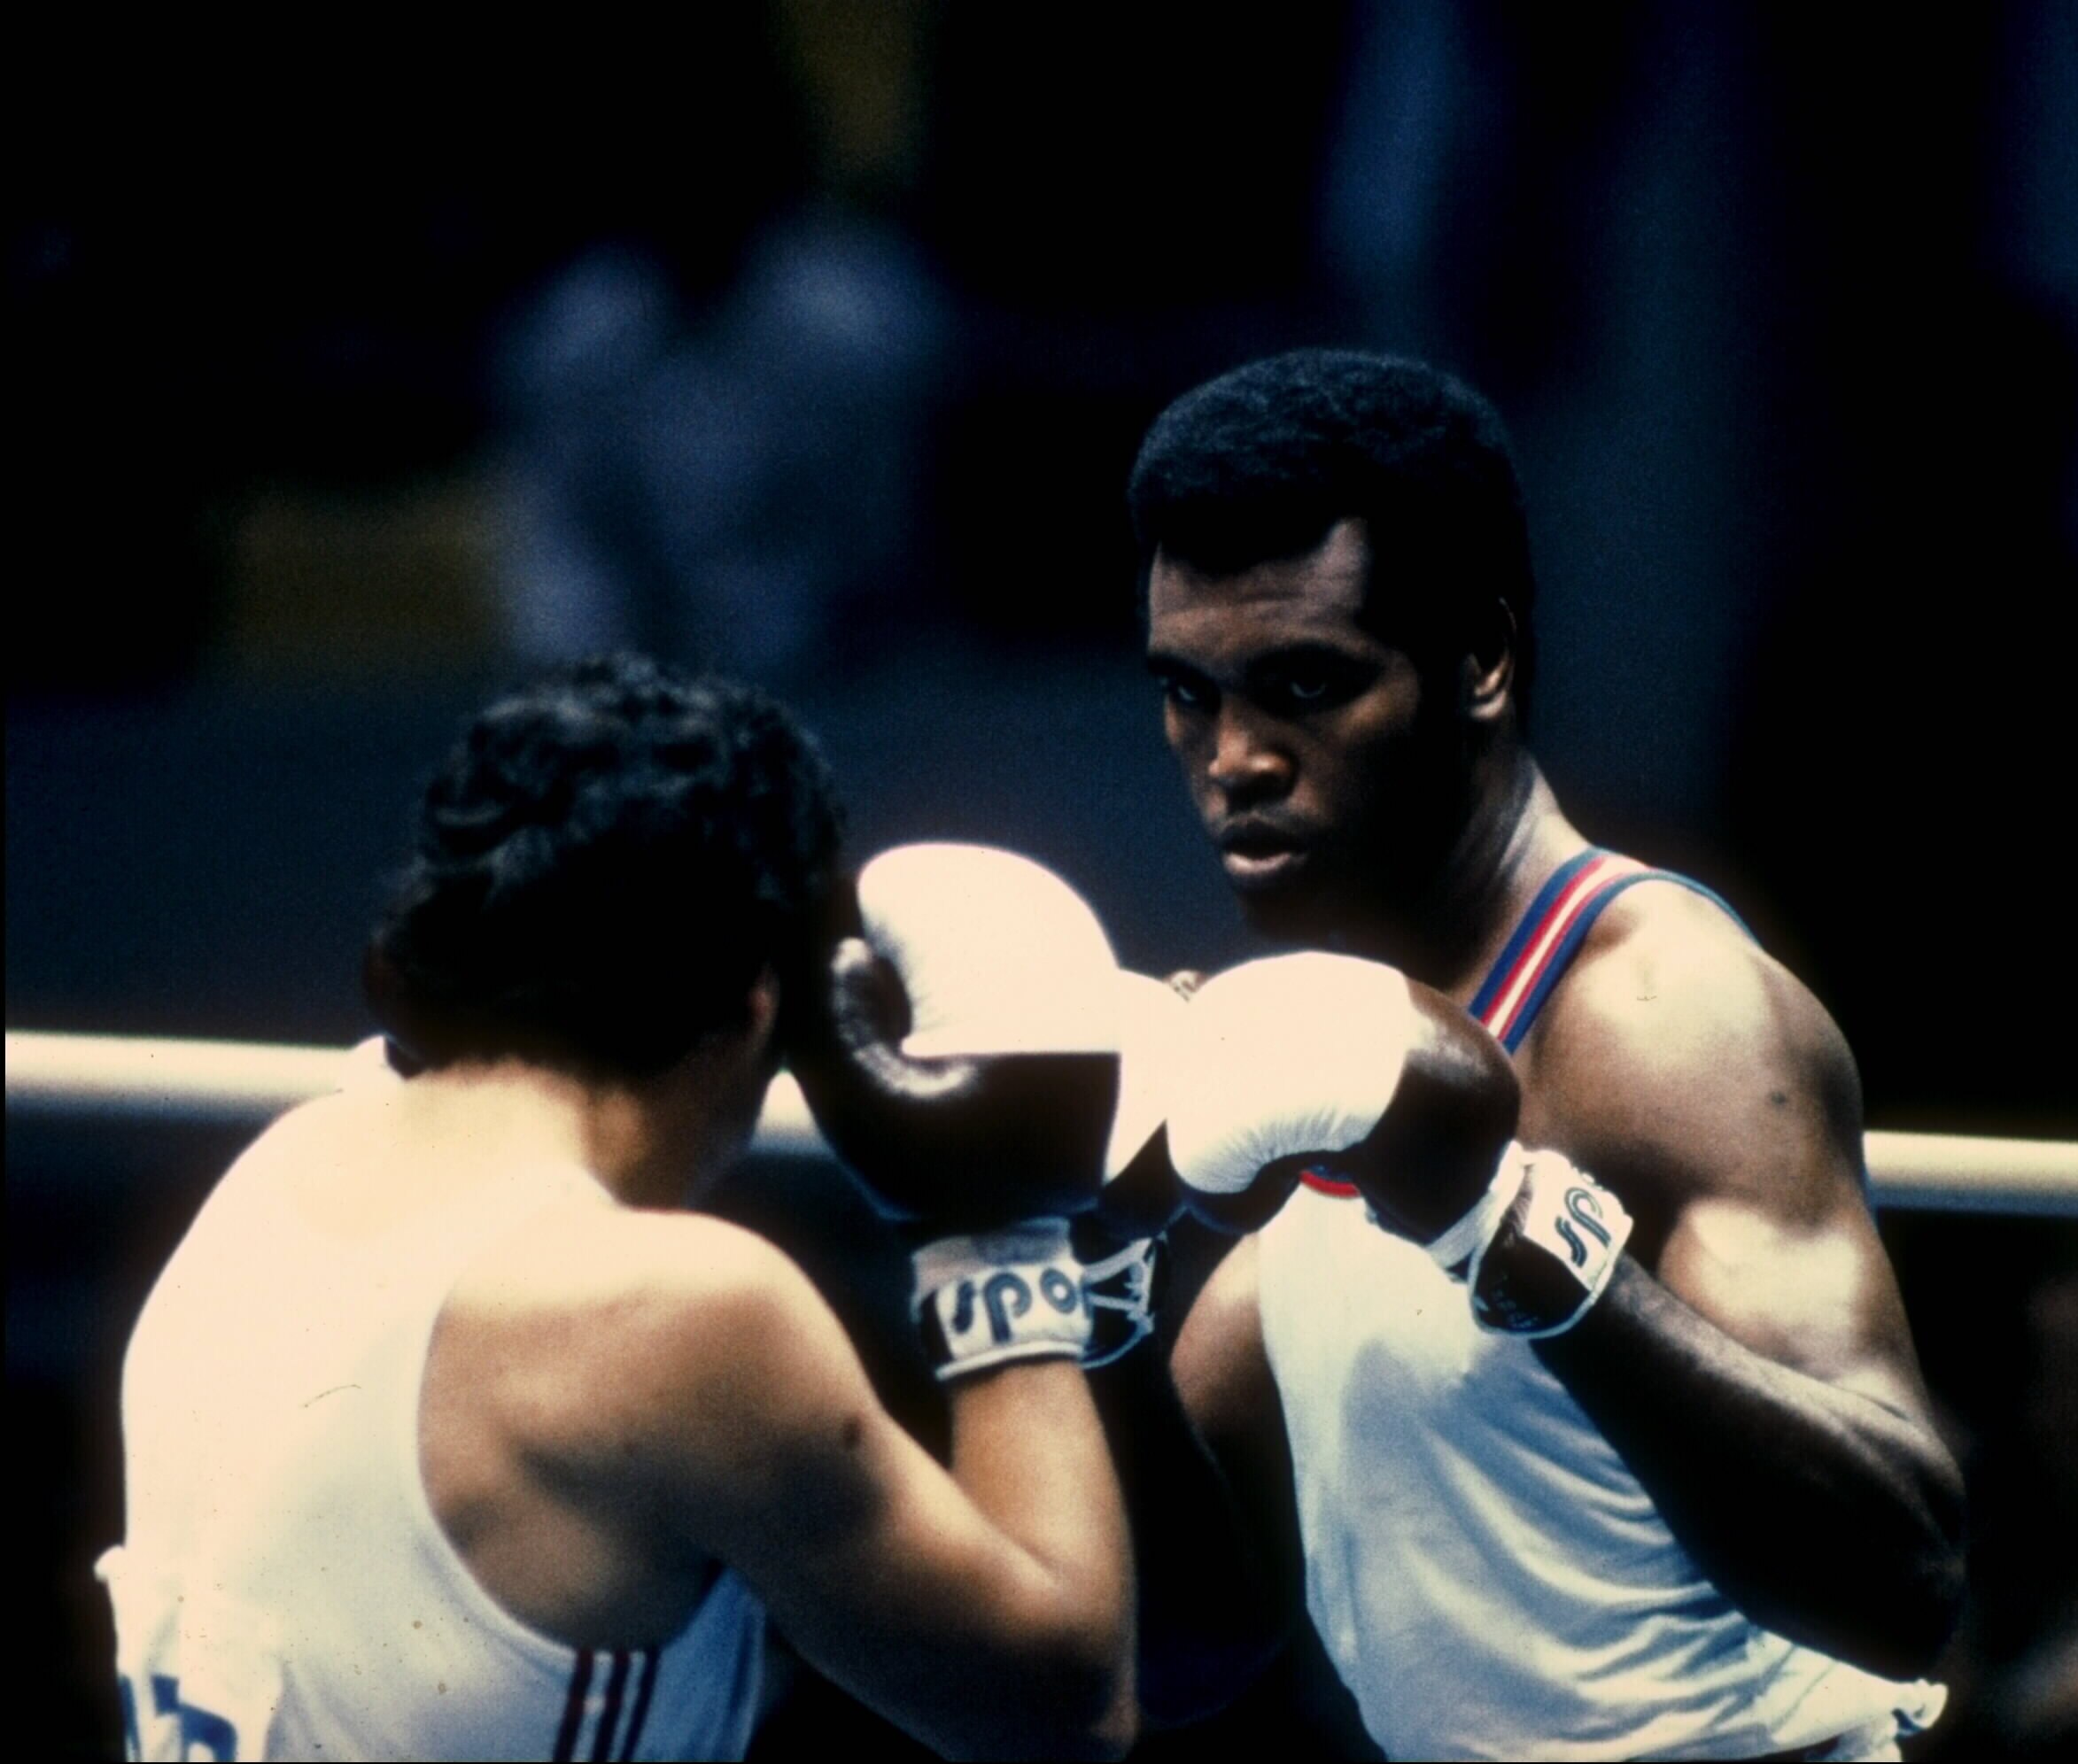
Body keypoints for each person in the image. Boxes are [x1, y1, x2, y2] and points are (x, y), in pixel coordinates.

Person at [1114, 351, 1967, 1760]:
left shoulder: (1660, 1015)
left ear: (1484, 662)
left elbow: (1904, 1580)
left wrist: (1508, 1232)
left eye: (1305, 687)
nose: (1235, 758)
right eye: (1191, 694)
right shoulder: (1327, 1054)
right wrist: (1096, 1270)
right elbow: (1189, 1651)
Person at [98, 654, 1138, 1760]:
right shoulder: (670, 1311)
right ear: (759, 1010)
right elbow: (1068, 1712)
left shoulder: (272, 1178)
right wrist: (993, 1233)